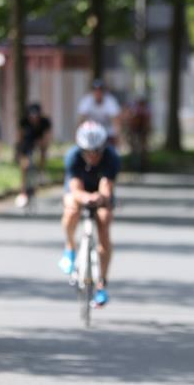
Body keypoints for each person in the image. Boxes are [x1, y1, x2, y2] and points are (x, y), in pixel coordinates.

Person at [58, 121, 121, 307]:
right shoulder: (73, 157)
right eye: (88, 152)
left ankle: (102, 284)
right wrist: (85, 198)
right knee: (71, 210)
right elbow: (74, 188)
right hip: (81, 191)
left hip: (100, 193)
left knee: (104, 221)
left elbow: (106, 188)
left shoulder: (111, 158)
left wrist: (99, 198)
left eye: (97, 151)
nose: (92, 156)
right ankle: (69, 248)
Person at [15, 102, 52, 207]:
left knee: (43, 152)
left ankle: (41, 172)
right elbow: (20, 138)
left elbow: (47, 138)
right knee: (24, 165)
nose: (34, 118)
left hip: (39, 142)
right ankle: (22, 191)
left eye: (36, 116)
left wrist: (42, 145)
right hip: (27, 143)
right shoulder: (24, 122)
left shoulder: (45, 122)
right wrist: (18, 152)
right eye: (32, 115)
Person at [77, 78, 122, 146]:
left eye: (100, 90)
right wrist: (78, 135)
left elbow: (116, 120)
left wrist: (117, 136)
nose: (98, 92)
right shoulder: (86, 100)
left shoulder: (110, 101)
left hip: (107, 132)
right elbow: (81, 119)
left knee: (112, 153)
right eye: (95, 90)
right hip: (90, 132)